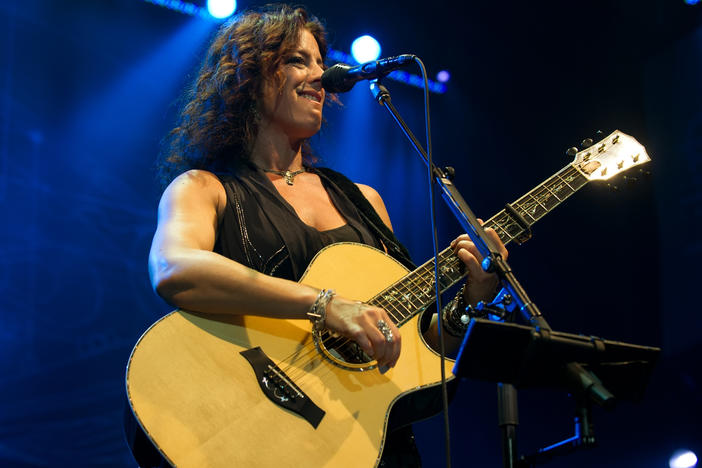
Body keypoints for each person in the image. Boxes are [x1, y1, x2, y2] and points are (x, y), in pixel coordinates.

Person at [148, 4, 508, 467]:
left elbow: (414, 347)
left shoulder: (364, 200)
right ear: (249, 77)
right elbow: (174, 269)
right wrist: (324, 305)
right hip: (251, 435)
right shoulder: (204, 188)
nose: (321, 75)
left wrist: (469, 302)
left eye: (320, 61)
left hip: (366, 445)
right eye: (299, 60)